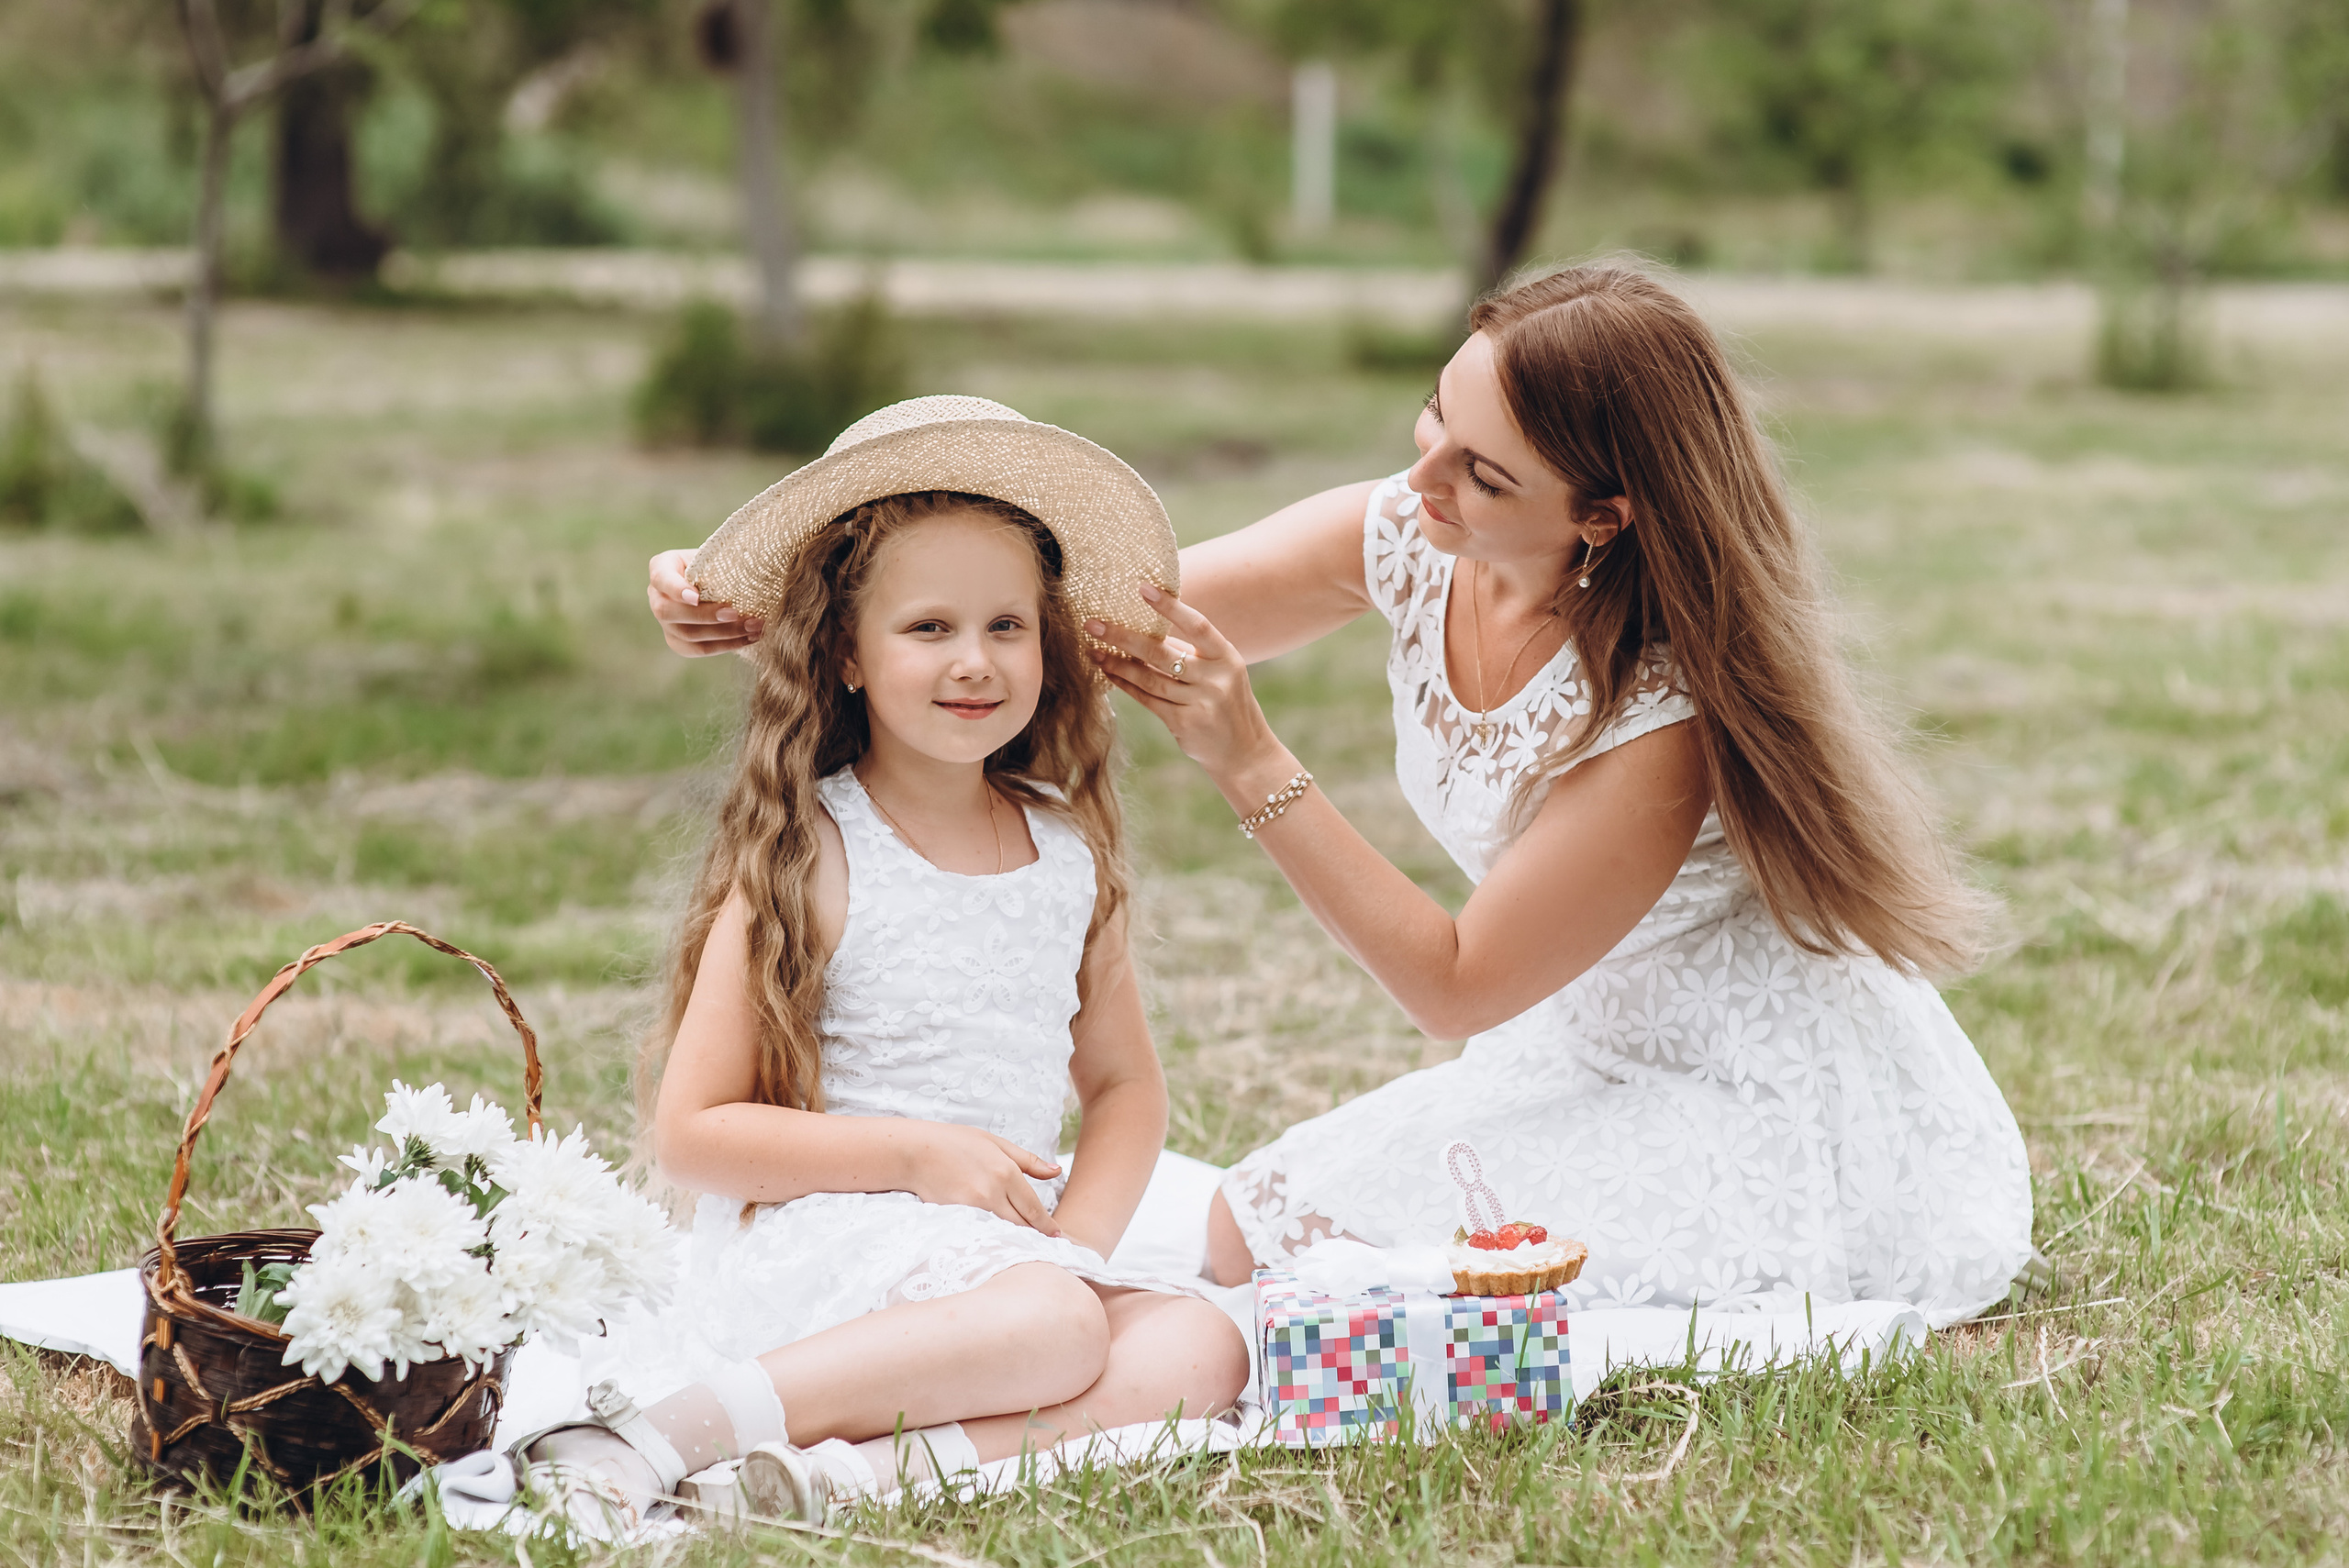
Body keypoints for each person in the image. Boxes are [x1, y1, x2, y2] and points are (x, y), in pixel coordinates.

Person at [647, 264, 2035, 1334]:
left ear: (1602, 516)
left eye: (1481, 473)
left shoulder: (1659, 723)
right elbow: (1068, 616)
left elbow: (1455, 987)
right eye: (1435, 418)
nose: (1421, 480)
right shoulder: (1411, 532)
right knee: (1258, 1235)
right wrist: (763, 595)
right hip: (1571, 1049)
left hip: (1747, 1089)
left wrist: (1252, 762)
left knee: (1414, 1292)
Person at [527, 397, 1247, 1529]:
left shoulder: (1066, 852)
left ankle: (842, 1473)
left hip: (996, 1255)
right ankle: (651, 1433)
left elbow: (1124, 1085)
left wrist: (1076, 1243)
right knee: (1059, 1328)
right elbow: (694, 1131)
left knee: (1201, 1342)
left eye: (1007, 625)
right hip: (834, 1232)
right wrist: (917, 1157)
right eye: (928, 629)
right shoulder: (815, 848)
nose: (975, 660)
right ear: (849, 658)